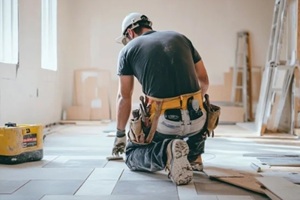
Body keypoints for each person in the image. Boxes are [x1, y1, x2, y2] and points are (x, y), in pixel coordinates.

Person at [111, 12, 209, 185]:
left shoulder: (127, 50)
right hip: (198, 121)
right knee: (201, 108)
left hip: (165, 123)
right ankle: (194, 156)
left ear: (130, 33)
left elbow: (124, 97)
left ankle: (166, 152)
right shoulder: (181, 38)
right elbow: (204, 81)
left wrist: (120, 134)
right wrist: (189, 107)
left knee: (132, 155)